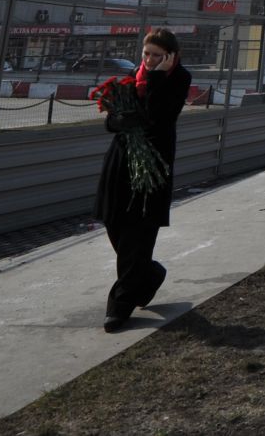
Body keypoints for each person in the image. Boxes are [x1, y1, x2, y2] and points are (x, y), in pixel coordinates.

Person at [94, 27, 190, 332]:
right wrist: (116, 121)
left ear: (170, 57)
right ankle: (149, 276)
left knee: (138, 234)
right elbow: (113, 119)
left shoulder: (178, 78)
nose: (148, 60)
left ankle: (119, 306)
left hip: (152, 168)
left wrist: (157, 77)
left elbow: (159, 116)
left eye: (157, 56)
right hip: (122, 162)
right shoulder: (132, 77)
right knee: (115, 226)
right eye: (146, 54)